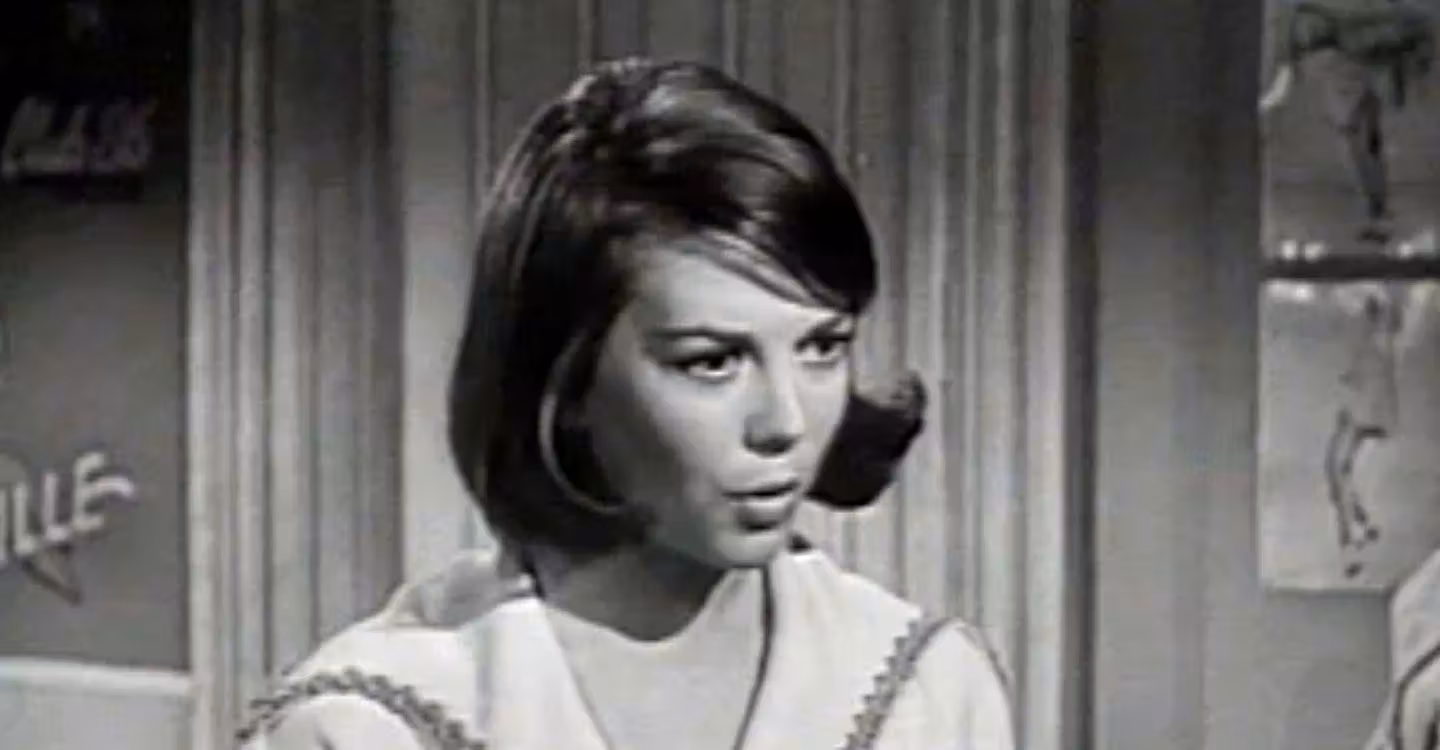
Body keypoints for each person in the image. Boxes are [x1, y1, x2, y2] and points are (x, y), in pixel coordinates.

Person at [236, 58, 1014, 750]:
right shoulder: (368, 723)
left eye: (821, 348)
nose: (786, 422)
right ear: (568, 381)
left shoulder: (929, 693)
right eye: (713, 362)